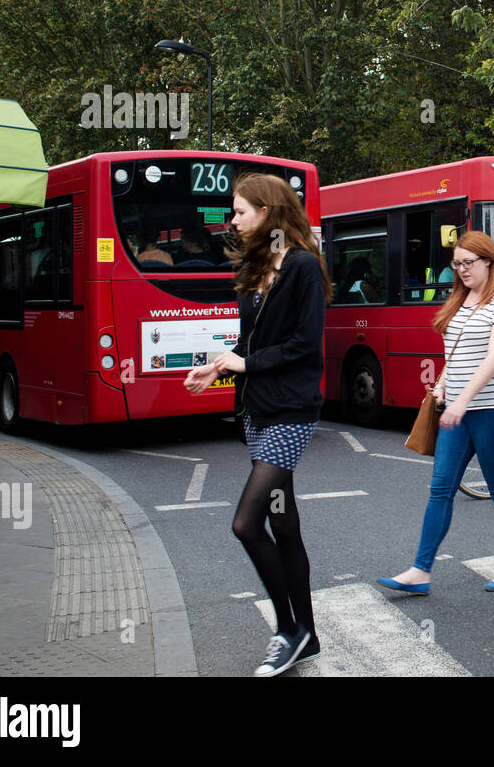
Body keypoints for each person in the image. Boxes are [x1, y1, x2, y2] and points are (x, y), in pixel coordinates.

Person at [183, 174, 330, 677]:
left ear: (268, 211)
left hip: (291, 411)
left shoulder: (304, 268)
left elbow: (306, 346)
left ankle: (289, 629)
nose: (234, 220)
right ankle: (306, 635)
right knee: (283, 523)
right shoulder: (259, 268)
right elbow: (256, 342)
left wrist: (243, 364)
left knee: (246, 523)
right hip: (257, 410)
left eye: (241, 211)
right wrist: (221, 364)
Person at [377, 233, 494, 595]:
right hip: (456, 409)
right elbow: (456, 353)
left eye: (467, 263)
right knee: (440, 488)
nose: (460, 270)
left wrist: (462, 401)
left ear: (488, 261)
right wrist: (445, 386)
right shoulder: (460, 300)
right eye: (456, 264)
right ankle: (420, 571)